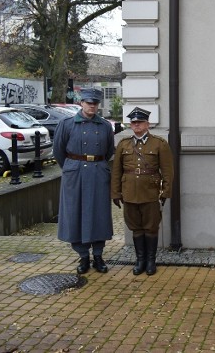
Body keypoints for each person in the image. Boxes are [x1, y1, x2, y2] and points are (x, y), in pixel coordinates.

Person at [53, 88, 115, 274]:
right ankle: (82, 257)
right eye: (89, 103)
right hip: (75, 174)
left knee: (99, 214)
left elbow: (109, 150)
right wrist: (73, 167)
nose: (92, 106)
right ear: (81, 103)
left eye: (95, 103)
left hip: (98, 173)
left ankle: (98, 255)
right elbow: (58, 151)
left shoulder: (104, 126)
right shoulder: (67, 124)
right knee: (75, 213)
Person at [111, 107, 174, 276]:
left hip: (150, 193)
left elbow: (167, 171)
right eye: (134, 122)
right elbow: (117, 171)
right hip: (129, 193)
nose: (137, 125)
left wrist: (166, 192)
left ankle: (151, 261)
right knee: (135, 228)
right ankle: (140, 260)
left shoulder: (159, 144)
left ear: (147, 124)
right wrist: (116, 193)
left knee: (151, 228)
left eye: (140, 122)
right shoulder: (124, 144)